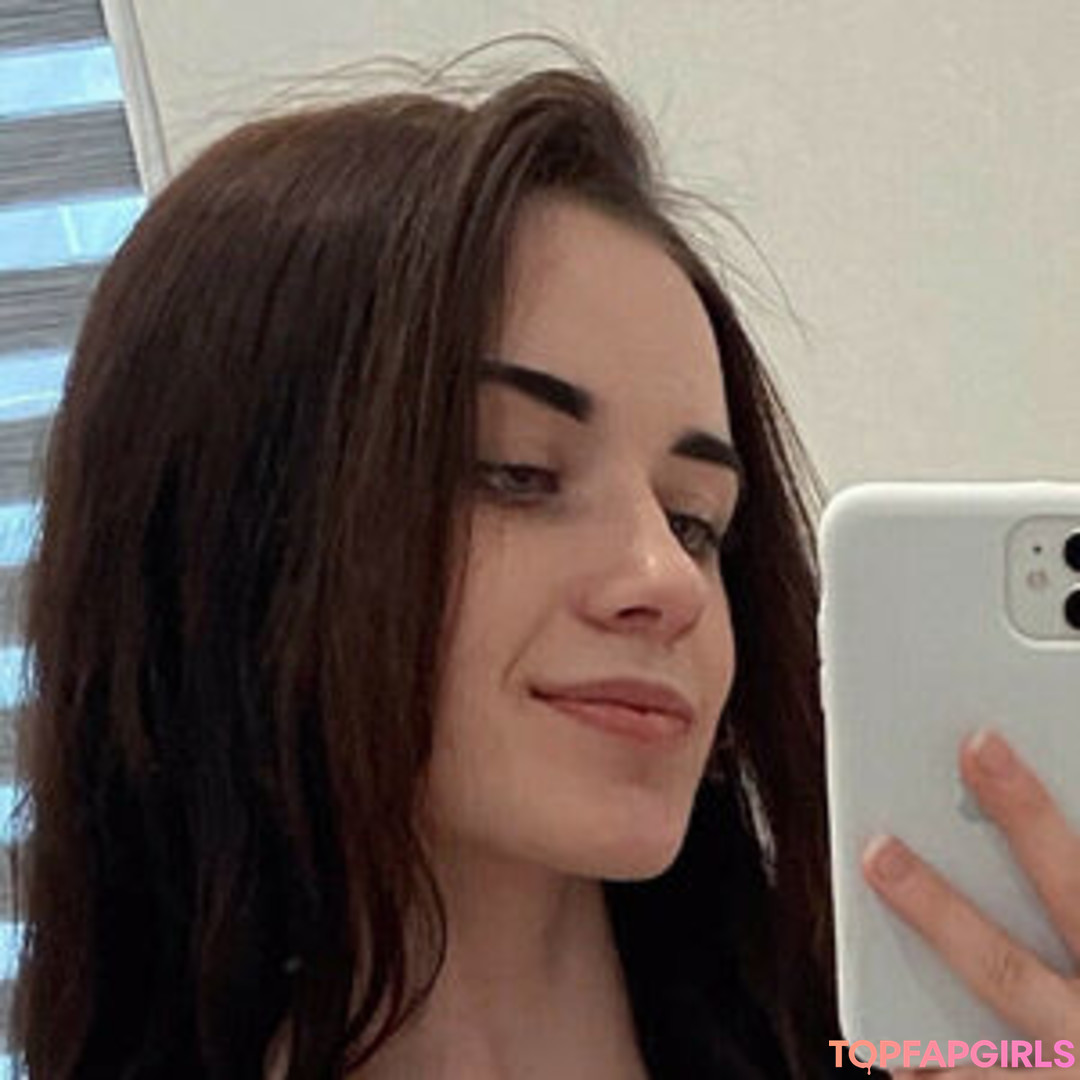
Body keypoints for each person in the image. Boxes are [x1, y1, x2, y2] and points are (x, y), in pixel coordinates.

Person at [9, 36, 1078, 1080]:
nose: (667, 580)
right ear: (237, 531)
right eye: (517, 471)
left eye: (695, 520)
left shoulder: (897, 1050)